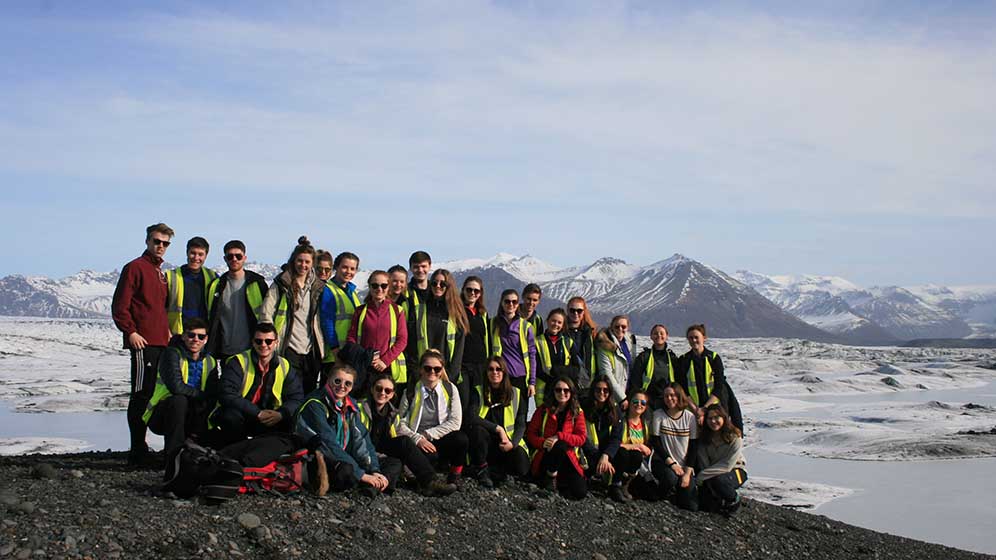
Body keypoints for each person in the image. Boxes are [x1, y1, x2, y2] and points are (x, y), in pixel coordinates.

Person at [112, 222, 174, 466]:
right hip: (142, 344)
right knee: (141, 394)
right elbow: (120, 306)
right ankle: (137, 451)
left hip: (161, 344)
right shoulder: (135, 268)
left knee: (154, 395)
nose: (160, 246)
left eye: (165, 243)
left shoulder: (161, 274)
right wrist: (131, 332)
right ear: (147, 241)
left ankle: (145, 448)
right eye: (156, 241)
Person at [295, 364, 390, 496]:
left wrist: (375, 470)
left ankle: (374, 484)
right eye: (337, 381)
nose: (342, 386)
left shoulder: (351, 404)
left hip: (343, 455)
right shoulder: (315, 404)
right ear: (329, 380)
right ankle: (368, 485)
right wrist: (362, 474)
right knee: (346, 470)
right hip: (318, 458)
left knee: (393, 463)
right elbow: (327, 443)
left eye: (348, 383)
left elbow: (363, 439)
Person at [143, 317, 218, 480]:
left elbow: (213, 392)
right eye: (191, 335)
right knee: (179, 401)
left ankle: (196, 453)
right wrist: (202, 396)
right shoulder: (171, 354)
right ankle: (172, 458)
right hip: (163, 413)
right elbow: (176, 387)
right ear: (183, 336)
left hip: (194, 414)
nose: (195, 340)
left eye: (200, 337)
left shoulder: (210, 361)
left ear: (206, 339)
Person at [357, 374, 456, 496]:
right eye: (379, 388)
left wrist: (409, 471)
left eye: (387, 390)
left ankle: (429, 483)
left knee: (403, 449)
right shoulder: (359, 408)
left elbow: (400, 442)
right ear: (372, 389)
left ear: (392, 394)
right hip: (363, 451)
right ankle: (376, 486)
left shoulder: (393, 413)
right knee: (398, 455)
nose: (383, 393)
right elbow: (358, 441)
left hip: (380, 450)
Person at [213, 323, 304, 445]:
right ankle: (232, 455)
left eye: (268, 341)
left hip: (271, 415)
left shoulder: (284, 365)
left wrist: (281, 414)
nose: (263, 345)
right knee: (230, 417)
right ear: (253, 342)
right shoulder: (238, 361)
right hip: (244, 413)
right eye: (259, 341)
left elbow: (296, 397)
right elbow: (226, 394)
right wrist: (257, 413)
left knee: (293, 419)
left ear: (276, 343)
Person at [261, 237, 326, 393]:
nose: (303, 265)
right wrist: (270, 341)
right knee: (289, 391)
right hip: (287, 346)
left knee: (309, 391)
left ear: (312, 264)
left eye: (307, 262)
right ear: (293, 261)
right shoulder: (282, 284)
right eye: (300, 261)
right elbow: (266, 313)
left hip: (311, 349)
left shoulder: (318, 287)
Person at [397, 349, 468, 485]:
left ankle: (455, 476)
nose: (432, 372)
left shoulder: (450, 389)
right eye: (428, 368)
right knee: (430, 457)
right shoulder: (410, 391)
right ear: (421, 370)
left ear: (442, 371)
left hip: (438, 437)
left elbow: (455, 422)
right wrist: (418, 439)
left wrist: (428, 434)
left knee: (461, 439)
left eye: (437, 369)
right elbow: (399, 423)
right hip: (418, 441)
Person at [465, 356, 530, 488]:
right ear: (486, 372)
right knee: (477, 431)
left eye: (498, 369)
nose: (495, 372)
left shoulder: (516, 393)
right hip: (486, 442)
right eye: (491, 369)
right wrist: (498, 429)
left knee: (522, 468)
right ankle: (482, 469)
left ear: (504, 372)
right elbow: (471, 417)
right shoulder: (478, 391)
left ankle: (498, 472)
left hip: (507, 442)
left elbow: (521, 424)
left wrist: (512, 444)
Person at [346, 270, 408, 397]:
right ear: (369, 287)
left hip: (387, 368)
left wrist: (384, 361)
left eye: (383, 286)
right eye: (375, 285)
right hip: (364, 368)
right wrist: (364, 356)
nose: (379, 289)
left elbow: (402, 340)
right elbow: (351, 338)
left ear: (388, 287)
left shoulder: (397, 311)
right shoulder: (360, 311)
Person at [206, 240, 269, 363]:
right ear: (225, 259)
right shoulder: (216, 286)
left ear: (244, 258)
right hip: (225, 351)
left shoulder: (257, 284)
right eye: (230, 256)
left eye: (238, 256)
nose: (234, 259)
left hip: (252, 350)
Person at [526, 376, 587, 500]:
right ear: (553, 392)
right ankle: (550, 477)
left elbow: (581, 438)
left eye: (566, 390)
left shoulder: (577, 412)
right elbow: (530, 434)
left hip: (568, 457)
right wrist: (544, 443)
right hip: (546, 456)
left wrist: (558, 436)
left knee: (580, 492)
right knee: (559, 446)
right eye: (558, 390)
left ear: (571, 392)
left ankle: (558, 483)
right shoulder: (543, 410)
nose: (562, 393)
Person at [413, 269, 468, 394]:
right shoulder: (421, 309)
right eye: (434, 283)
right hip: (424, 372)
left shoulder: (456, 312)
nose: (438, 286)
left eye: (442, 284)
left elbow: (459, 348)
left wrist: (451, 376)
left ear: (449, 287)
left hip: (446, 374)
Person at [678, 324, 742, 431]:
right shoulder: (684, 360)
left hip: (715, 408)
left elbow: (719, 386)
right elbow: (683, 388)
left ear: (704, 338)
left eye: (696, 337)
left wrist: (705, 409)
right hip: (693, 409)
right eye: (690, 338)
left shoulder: (714, 358)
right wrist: (696, 410)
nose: (694, 340)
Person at [649, 383, 698, 510]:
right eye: (666, 396)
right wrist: (671, 464)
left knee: (691, 506)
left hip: (683, 465)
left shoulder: (690, 418)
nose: (669, 399)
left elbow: (693, 447)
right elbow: (656, 443)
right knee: (670, 478)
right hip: (664, 462)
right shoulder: (658, 415)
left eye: (672, 395)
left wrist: (687, 473)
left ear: (679, 396)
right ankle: (660, 493)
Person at [490, 289, 537, 414]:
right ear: (502, 303)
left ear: (518, 304)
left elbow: (532, 355)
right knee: (501, 413)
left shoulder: (525, 326)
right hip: (500, 377)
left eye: (514, 302)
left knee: (521, 414)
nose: (511, 304)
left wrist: (532, 382)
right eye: (507, 301)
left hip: (520, 377)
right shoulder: (493, 324)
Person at [603, 389, 653, 502]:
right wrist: (639, 446)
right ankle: (615, 484)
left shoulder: (646, 425)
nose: (639, 405)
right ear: (629, 403)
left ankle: (626, 484)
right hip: (617, 459)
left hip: (636, 465)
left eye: (643, 403)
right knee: (623, 453)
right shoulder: (621, 421)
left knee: (636, 455)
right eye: (635, 401)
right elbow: (615, 443)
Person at [696, 403, 746, 515]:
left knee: (719, 481)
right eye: (710, 418)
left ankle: (735, 500)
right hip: (710, 473)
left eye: (716, 417)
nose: (713, 421)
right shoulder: (704, 439)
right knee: (704, 505)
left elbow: (728, 465)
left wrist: (702, 476)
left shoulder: (734, 436)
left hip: (735, 470)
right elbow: (704, 463)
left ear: (724, 418)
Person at [318, 251, 361, 378]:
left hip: (349, 352)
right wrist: (335, 351)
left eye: (352, 269)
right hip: (335, 355)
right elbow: (327, 322)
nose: (348, 271)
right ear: (336, 267)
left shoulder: (352, 292)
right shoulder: (328, 290)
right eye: (345, 267)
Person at [165, 236, 217, 335]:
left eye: (200, 254)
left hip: (203, 336)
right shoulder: (172, 277)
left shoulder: (213, 278)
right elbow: (161, 308)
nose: (196, 258)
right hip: (178, 334)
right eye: (193, 253)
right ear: (187, 253)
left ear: (206, 256)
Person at [580, 375, 619, 484]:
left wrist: (606, 456)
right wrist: (599, 458)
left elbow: (617, 437)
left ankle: (616, 484)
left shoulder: (615, 410)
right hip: (588, 451)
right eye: (598, 389)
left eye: (605, 390)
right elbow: (582, 436)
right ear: (593, 390)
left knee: (624, 455)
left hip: (606, 453)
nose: (602, 392)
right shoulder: (584, 407)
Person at [629, 324, 679, 408]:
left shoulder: (672, 358)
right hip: (648, 401)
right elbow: (635, 380)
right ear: (651, 336)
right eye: (655, 333)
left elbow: (678, 380)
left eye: (661, 333)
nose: (659, 335)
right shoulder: (644, 357)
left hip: (668, 401)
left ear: (667, 336)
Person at [459, 275, 490, 413]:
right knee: (463, 402)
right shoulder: (457, 311)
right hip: (462, 365)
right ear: (463, 290)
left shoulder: (482, 314)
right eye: (469, 289)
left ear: (480, 294)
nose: (472, 293)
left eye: (476, 291)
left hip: (480, 366)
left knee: (477, 403)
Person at [596, 315, 640, 403]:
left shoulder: (629, 343)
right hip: (614, 396)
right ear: (611, 327)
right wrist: (622, 397)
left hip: (629, 392)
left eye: (623, 327)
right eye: (617, 326)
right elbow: (607, 374)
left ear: (628, 328)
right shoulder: (604, 346)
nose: (620, 329)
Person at [535, 308, 576, 400]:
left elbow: (576, 368)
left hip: (563, 390)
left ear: (563, 325)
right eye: (553, 321)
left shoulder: (568, 343)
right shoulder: (537, 341)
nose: (556, 324)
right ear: (548, 320)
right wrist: (554, 381)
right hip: (544, 390)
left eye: (559, 322)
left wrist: (559, 373)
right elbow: (536, 369)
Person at [402, 251, 432, 369]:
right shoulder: (405, 293)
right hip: (411, 356)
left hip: (434, 355)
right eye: (416, 267)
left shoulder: (437, 292)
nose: (420, 270)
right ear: (411, 268)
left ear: (430, 266)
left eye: (423, 266)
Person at [563, 296, 597, 390]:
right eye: (572, 310)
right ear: (567, 311)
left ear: (584, 311)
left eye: (579, 310)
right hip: (567, 384)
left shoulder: (591, 333)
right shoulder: (561, 331)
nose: (576, 313)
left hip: (587, 383)